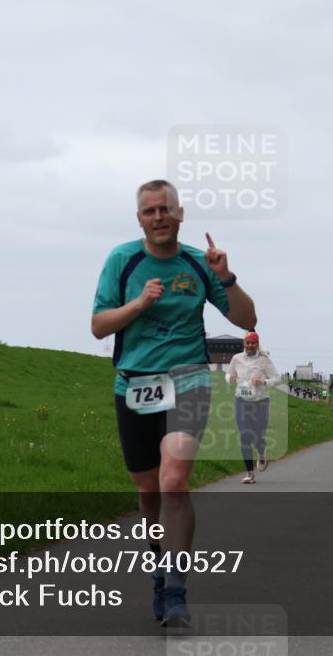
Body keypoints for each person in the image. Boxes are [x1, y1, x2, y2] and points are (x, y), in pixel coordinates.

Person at [91, 179, 257, 627]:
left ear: (180, 214)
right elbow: (99, 326)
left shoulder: (199, 264)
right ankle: (159, 570)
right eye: (150, 211)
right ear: (139, 219)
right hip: (135, 385)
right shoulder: (122, 261)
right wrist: (139, 304)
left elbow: (247, 319)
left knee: (174, 480)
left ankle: (177, 590)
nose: (159, 217)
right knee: (148, 489)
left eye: (166, 209)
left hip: (188, 380)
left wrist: (226, 277)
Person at [227, 331, 280, 484]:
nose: (250, 345)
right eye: (248, 343)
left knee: (257, 435)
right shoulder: (236, 358)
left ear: (257, 344)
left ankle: (261, 451)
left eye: (253, 343)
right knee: (245, 436)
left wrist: (263, 382)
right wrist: (230, 378)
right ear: (244, 343)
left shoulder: (264, 360)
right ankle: (250, 473)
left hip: (260, 402)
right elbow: (228, 374)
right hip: (241, 401)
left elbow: (277, 379)